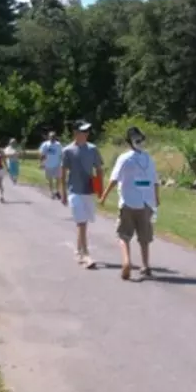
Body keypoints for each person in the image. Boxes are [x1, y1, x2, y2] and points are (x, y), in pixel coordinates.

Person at [100, 126, 160, 280]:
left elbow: (114, 179)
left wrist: (104, 196)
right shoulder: (148, 158)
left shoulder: (124, 158)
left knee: (124, 235)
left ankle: (126, 262)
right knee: (144, 237)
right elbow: (155, 181)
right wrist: (156, 198)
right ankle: (145, 265)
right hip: (146, 203)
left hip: (128, 202)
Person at [60, 119, 104, 268]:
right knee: (81, 222)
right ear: (76, 133)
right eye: (83, 131)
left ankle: (78, 251)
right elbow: (63, 172)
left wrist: (99, 189)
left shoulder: (92, 149)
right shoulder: (67, 150)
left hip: (88, 190)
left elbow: (98, 169)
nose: (86, 134)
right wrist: (63, 192)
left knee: (84, 222)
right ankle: (86, 254)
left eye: (87, 131)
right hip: (74, 191)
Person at [39, 130, 64, 199]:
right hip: (48, 165)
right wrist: (41, 163)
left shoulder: (58, 145)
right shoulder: (45, 144)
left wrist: (62, 162)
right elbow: (42, 154)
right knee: (50, 180)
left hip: (57, 164)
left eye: (53, 136)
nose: (52, 137)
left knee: (58, 179)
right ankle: (52, 193)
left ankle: (57, 191)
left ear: (55, 137)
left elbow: (61, 154)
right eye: (51, 136)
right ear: (49, 137)